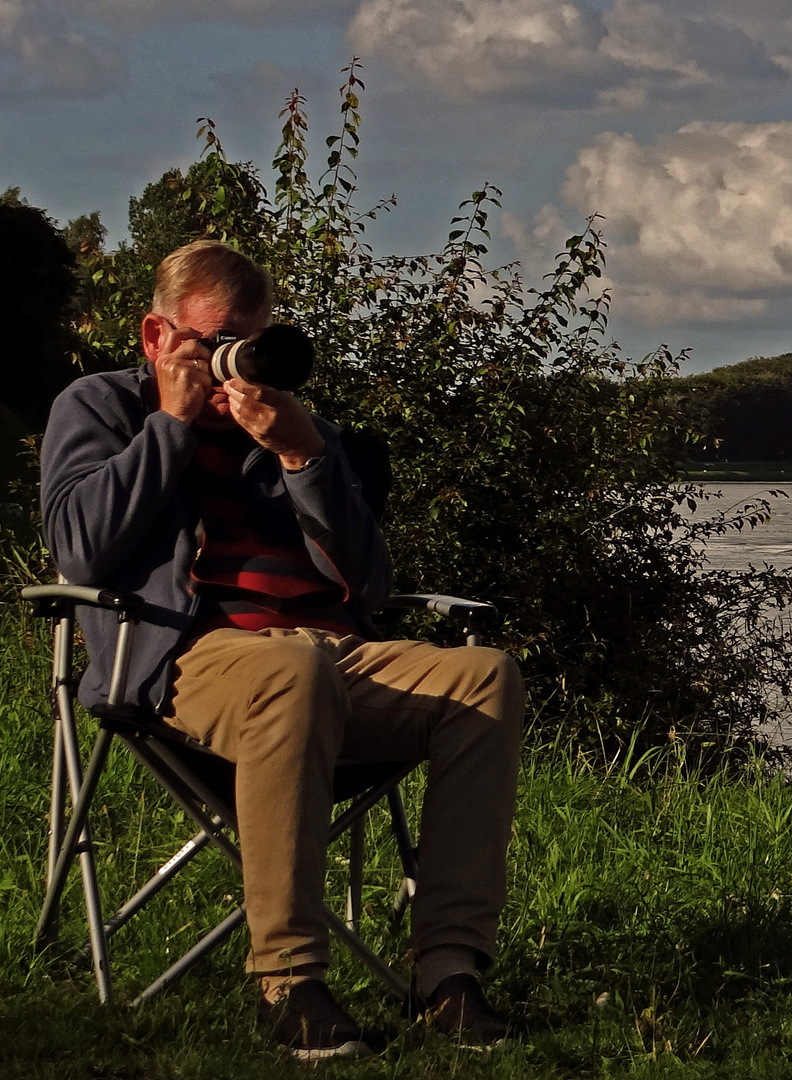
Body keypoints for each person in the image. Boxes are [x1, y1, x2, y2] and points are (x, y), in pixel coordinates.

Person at [40, 240, 524, 1059]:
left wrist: (303, 456)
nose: (236, 364)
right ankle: (291, 982)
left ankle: (448, 975)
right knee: (291, 672)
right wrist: (171, 424)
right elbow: (80, 550)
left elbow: (367, 585)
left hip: (330, 652)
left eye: (251, 342)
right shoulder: (102, 407)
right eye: (211, 341)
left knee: (486, 676)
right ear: (157, 337)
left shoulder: (296, 426)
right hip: (189, 655)